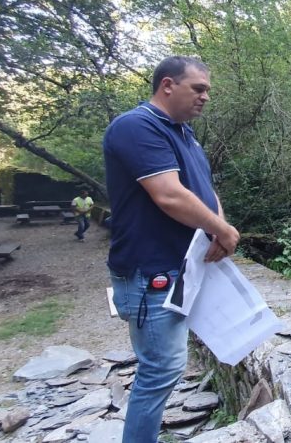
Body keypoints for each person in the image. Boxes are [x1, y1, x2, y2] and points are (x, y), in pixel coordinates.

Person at [103, 56, 240, 443]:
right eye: (198, 88)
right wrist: (223, 231)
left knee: (165, 367)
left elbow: (203, 188)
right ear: (167, 85)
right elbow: (169, 195)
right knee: (160, 369)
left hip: (178, 268)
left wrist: (218, 226)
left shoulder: (184, 134)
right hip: (150, 272)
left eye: (207, 90)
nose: (205, 97)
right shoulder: (136, 126)